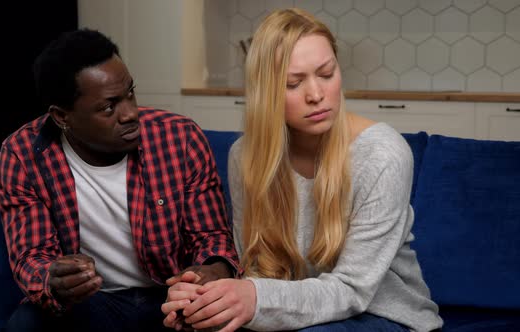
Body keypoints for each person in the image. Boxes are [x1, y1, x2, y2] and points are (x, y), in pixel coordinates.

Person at [162, 8, 443, 332]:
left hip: (385, 315)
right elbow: (253, 269)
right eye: (293, 83)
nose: (316, 95)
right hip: (295, 313)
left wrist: (254, 298)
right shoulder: (245, 157)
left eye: (326, 74)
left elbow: (352, 291)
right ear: (266, 93)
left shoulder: (383, 154)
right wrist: (205, 300)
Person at [0, 28, 240, 332]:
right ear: (62, 117)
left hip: (169, 299)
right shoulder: (22, 155)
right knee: (27, 323)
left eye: (130, 94)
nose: (130, 114)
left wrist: (211, 272)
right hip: (93, 305)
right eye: (109, 107)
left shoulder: (180, 138)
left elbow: (211, 236)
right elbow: (32, 256)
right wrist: (54, 280)